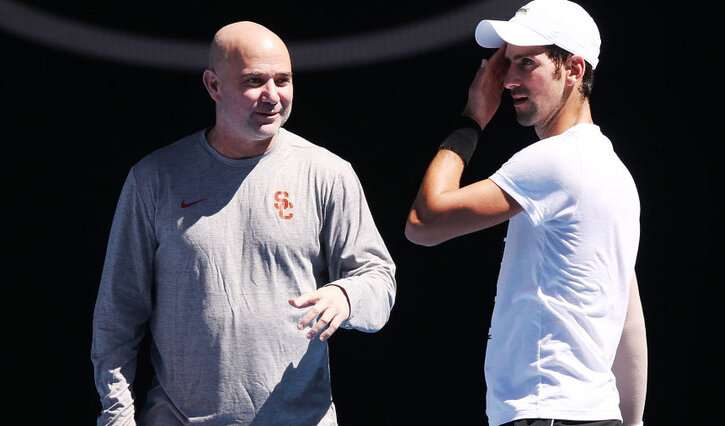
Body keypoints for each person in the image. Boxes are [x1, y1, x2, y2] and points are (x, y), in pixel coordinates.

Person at [91, 21, 396, 425]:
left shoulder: (327, 173)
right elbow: (118, 313)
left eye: (283, 80)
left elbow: (379, 279)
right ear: (214, 86)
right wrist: (117, 416)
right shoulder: (156, 178)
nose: (272, 96)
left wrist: (346, 295)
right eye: (255, 81)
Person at [404, 1, 646, 425]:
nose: (508, 80)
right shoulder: (616, 173)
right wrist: (633, 422)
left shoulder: (555, 160)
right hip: (593, 415)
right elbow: (628, 318)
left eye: (526, 64)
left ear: (573, 69)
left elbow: (424, 224)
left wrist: (473, 117)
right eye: (506, 64)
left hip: (546, 413)